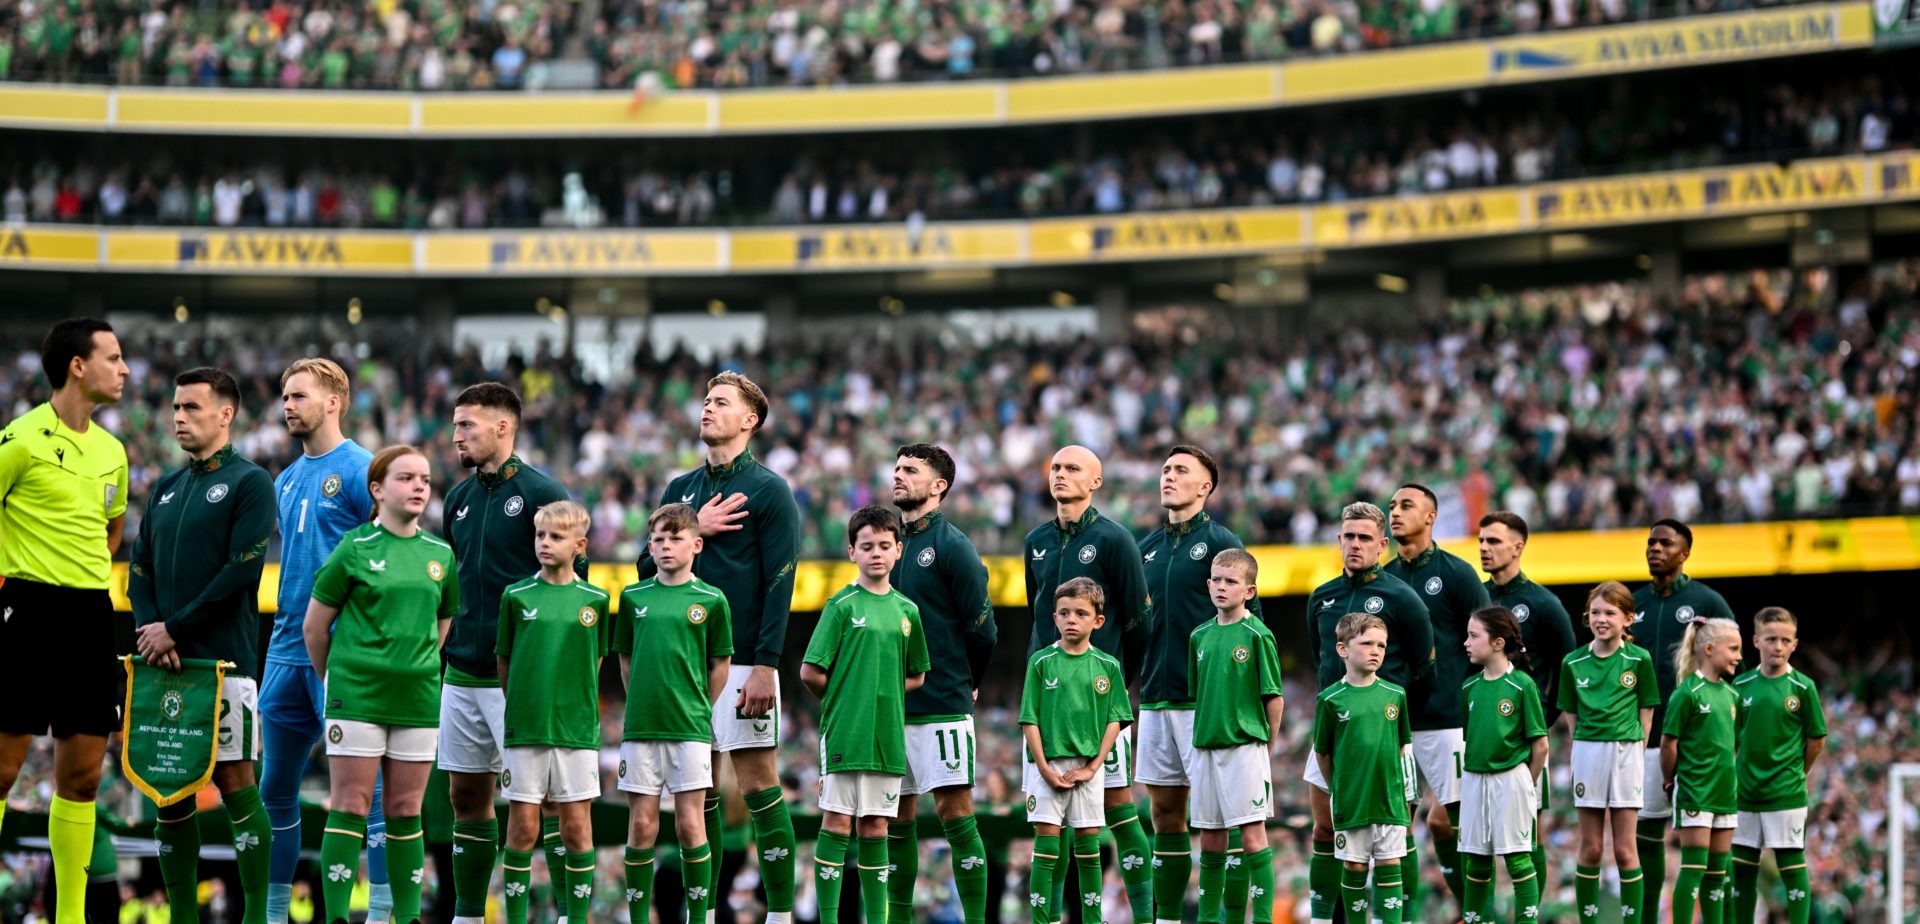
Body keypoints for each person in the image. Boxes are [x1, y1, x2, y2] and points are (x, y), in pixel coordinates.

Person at [635, 372, 800, 924]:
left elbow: (781, 580)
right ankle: (699, 914)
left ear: (750, 419)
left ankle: (778, 913)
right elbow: (642, 572)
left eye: (720, 402)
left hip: (745, 661)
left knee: (756, 783)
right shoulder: (678, 490)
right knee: (692, 789)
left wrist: (766, 669)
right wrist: (694, 527)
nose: (706, 408)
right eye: (705, 400)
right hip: (681, 663)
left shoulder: (770, 490)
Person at [127, 367, 277, 924]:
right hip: (162, 663)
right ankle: (182, 917)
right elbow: (137, 568)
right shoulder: (165, 487)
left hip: (223, 664)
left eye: (191, 407)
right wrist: (151, 631)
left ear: (226, 414)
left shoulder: (250, 482)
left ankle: (256, 916)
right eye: (175, 408)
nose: (178, 418)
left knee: (237, 784)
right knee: (169, 791)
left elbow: (241, 571)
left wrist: (176, 629)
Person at [0, 318, 130, 924]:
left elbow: (111, 532)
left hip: (89, 615)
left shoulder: (113, 451)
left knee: (81, 779)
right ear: (78, 365)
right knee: (1, 770)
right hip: (25, 610)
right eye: (113, 357)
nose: (124, 369)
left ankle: (69, 918)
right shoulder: (19, 439)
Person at [439, 382, 579, 924]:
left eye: (467, 425)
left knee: (544, 805)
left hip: (520, 678)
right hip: (461, 674)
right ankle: (470, 915)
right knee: (466, 799)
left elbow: (575, 591)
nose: (457, 436)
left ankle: (568, 913)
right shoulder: (457, 499)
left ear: (503, 427)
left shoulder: (545, 492)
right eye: (455, 425)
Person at [303, 445, 459, 924]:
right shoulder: (354, 548)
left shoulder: (440, 554)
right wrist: (340, 681)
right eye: (406, 478)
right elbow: (314, 628)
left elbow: (443, 621)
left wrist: (416, 666)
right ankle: (333, 917)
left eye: (425, 480)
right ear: (377, 489)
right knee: (349, 806)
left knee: (405, 810)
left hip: (416, 701)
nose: (418, 487)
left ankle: (405, 917)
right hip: (357, 698)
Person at [258, 358, 382, 924]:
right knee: (273, 791)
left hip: (338, 652)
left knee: (364, 795)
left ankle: (381, 910)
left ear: (333, 402)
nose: (287, 405)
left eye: (299, 395)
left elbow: (386, 559)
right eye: (285, 396)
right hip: (283, 649)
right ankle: (273, 912)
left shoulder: (361, 471)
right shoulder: (284, 479)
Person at [1021, 445, 1152, 923]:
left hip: (1096, 700)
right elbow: (1038, 613)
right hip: (1047, 695)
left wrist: (1109, 683)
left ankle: (1145, 915)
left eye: (1072, 468)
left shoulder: (1115, 540)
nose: (1060, 474)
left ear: (1095, 481)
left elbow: (1139, 620)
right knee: (1048, 820)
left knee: (1117, 807)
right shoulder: (1035, 538)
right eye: (1055, 467)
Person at [1134, 445, 1259, 924]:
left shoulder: (1223, 542)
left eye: (1181, 470)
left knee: (1217, 822)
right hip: (1154, 698)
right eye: (1165, 468)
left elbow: (1252, 628)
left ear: (1205, 486)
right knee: (1165, 815)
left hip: (1204, 704)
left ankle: (1225, 917)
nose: (1169, 476)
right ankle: (1167, 918)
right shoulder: (1144, 547)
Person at [799, 506, 930, 924]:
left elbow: (916, 676)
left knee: (876, 826)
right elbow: (810, 671)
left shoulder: (907, 611)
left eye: (884, 546)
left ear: (898, 551)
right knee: (837, 822)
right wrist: (844, 695)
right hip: (845, 731)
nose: (876, 553)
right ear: (852, 551)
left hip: (887, 735)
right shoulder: (840, 606)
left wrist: (883, 694)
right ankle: (830, 918)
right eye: (867, 546)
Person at [1301, 502, 1430, 924]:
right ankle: (1324, 918)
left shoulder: (1402, 597)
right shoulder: (1322, 597)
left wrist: (1388, 716)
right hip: (1333, 728)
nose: (1355, 544)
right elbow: (1320, 659)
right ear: (1339, 540)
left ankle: (1402, 918)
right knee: (1326, 831)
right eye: (1348, 536)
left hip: (1382, 736)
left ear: (1382, 545)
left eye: (1364, 538)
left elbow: (1424, 667)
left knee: (1396, 840)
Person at [887, 445, 996, 924]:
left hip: (942, 703)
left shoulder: (953, 545)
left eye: (910, 470)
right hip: (889, 704)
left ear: (939, 486)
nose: (898, 476)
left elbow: (983, 628)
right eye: (896, 469)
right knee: (895, 819)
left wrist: (968, 680)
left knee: (955, 814)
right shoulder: (885, 542)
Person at [614, 503, 732, 924]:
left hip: (690, 728)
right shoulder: (632, 597)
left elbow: (720, 664)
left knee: (689, 825)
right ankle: (638, 918)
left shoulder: (711, 600)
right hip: (641, 727)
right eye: (659, 540)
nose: (666, 546)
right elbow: (625, 658)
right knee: (642, 827)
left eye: (676, 538)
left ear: (696, 544)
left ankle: (698, 918)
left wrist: (702, 705)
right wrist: (637, 703)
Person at [495, 501, 609, 924]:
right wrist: (524, 705)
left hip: (575, 731)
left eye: (556, 537)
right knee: (523, 830)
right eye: (541, 535)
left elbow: (595, 663)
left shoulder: (596, 600)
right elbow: (505, 663)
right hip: (526, 729)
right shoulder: (516, 596)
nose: (545, 543)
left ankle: (575, 917)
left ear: (579, 546)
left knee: (577, 829)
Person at [1382, 484, 1489, 915]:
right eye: (1391, 506)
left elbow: (1486, 642)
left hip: (1448, 721)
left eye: (1406, 505)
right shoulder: (1383, 578)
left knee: (1450, 823)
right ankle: (1402, 913)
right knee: (1395, 826)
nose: (1395, 512)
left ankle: (1475, 910)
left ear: (1431, 516)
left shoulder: (1458, 574)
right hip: (1396, 722)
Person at [1632, 519, 1738, 923]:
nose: (1654, 548)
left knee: (1712, 854)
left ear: (1685, 552)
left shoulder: (1708, 602)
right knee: (1647, 837)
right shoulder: (1633, 604)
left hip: (1695, 748)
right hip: (1643, 740)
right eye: (1651, 542)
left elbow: (1733, 665)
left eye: (1665, 543)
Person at [1018, 577, 1130, 924]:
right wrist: (1043, 768)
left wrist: (1093, 766)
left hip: (1086, 770)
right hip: (1046, 766)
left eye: (1081, 613)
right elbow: (1029, 719)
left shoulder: (1108, 667)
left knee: (1089, 847)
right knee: (1047, 844)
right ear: (1054, 618)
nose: (1071, 619)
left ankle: (1092, 919)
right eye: (1064, 612)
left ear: (1097, 621)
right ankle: (1042, 919)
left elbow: (1117, 719)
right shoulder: (1040, 662)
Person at [1478, 510, 1575, 896]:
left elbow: (1568, 666)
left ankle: (1530, 913)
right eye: (1482, 540)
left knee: (1526, 829)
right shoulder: (1475, 597)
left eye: (1494, 541)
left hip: (1522, 738)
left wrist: (1544, 716)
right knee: (1470, 834)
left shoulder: (1543, 603)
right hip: (1476, 734)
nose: (1484, 548)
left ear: (1518, 547)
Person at [1185, 550, 1283, 924]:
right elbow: (1200, 696)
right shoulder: (1199, 637)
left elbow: (1273, 697)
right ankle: (1210, 919)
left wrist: (1267, 747)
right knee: (1210, 840)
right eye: (1217, 579)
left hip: (1245, 747)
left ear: (1249, 590)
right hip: (1206, 747)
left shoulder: (1258, 634)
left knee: (1253, 836)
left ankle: (1262, 919)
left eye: (1231, 581)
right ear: (1208, 584)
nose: (1221, 587)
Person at [1560, 581, 1658, 924]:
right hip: (1588, 752)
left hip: (1626, 753)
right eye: (1596, 612)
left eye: (1610, 613)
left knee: (1624, 849)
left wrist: (1636, 747)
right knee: (1590, 848)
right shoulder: (1572, 662)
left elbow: (1647, 709)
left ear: (1628, 619)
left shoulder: (1639, 659)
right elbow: (1570, 713)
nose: (1601, 619)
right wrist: (1584, 745)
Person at [1312, 613, 1415, 924]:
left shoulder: (1395, 695)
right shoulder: (1330, 699)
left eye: (1381, 645)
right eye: (1367, 643)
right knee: (1355, 867)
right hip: (1351, 802)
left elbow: (1400, 747)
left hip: (1389, 802)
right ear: (1343, 649)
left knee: (1390, 865)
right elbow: (1323, 753)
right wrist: (1341, 788)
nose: (1376, 651)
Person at [1730, 608, 1826, 924]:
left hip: (1786, 793)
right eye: (1771, 639)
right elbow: (1733, 740)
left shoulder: (1803, 687)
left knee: (1791, 866)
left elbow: (1816, 740)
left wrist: (1798, 772)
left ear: (1794, 644)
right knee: (1742, 869)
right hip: (1744, 794)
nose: (1778, 646)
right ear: (1756, 641)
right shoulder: (1740, 686)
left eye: (1785, 640)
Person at [1457, 606, 1547, 924]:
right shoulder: (1469, 688)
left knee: (1518, 861)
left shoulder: (1522, 685)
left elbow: (1541, 745)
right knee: (1477, 863)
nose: (1466, 642)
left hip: (1511, 779)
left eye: (1473, 635)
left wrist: (1524, 782)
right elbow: (1473, 738)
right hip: (1474, 780)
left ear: (1497, 642)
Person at [1660, 617, 1743, 924]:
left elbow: (1732, 745)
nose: (1738, 656)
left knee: (1717, 874)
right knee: (1694, 868)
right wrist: (1670, 779)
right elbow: (1669, 744)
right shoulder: (1687, 693)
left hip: (1725, 793)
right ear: (1709, 649)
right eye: (1733, 648)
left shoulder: (1733, 696)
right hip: (1696, 791)